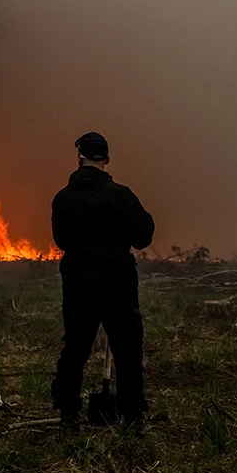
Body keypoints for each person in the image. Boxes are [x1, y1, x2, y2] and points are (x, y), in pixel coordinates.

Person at [50, 132, 155, 430]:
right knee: (128, 351)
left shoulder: (63, 198)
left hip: (77, 286)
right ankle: (132, 416)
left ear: (79, 157)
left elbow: (61, 240)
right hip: (117, 285)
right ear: (106, 159)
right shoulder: (121, 196)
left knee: (75, 349)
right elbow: (143, 235)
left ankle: (68, 413)